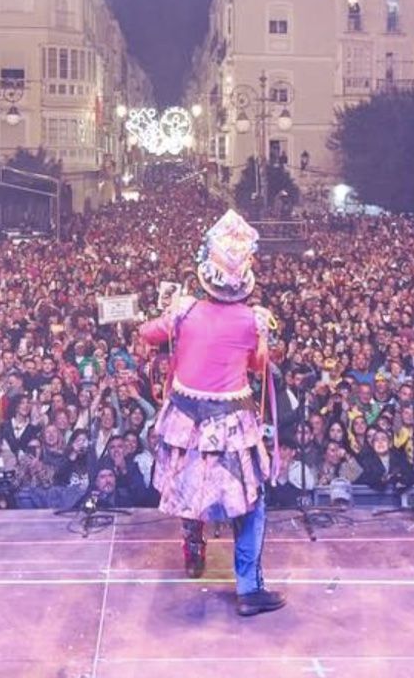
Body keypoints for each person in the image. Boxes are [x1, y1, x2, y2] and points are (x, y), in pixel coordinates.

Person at [138, 209, 283, 617]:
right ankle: (249, 589)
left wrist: (168, 315)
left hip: (185, 420)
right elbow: (257, 365)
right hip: (231, 425)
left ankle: (194, 552)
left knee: (191, 491)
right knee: (249, 502)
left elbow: (146, 334)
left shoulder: (183, 313)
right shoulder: (253, 321)